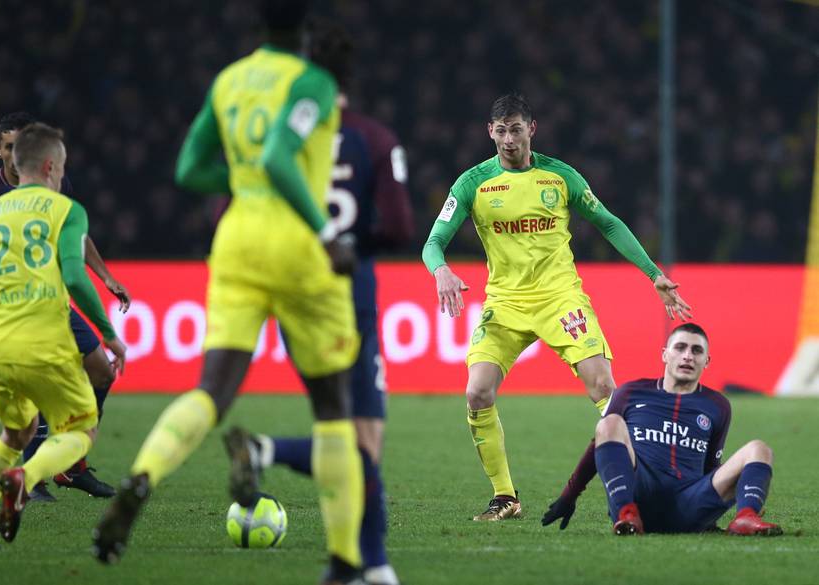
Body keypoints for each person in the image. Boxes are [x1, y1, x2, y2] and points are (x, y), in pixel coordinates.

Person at [92, 3, 366, 583]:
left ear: (259, 27)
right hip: (297, 245)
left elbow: (190, 170)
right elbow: (278, 157)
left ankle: (142, 476)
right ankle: (344, 561)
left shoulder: (229, 80)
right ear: (305, 30)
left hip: (236, 239)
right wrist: (326, 232)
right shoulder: (312, 80)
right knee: (333, 408)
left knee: (212, 389)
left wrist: (242, 183)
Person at [421, 93, 692, 521]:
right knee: (477, 391)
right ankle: (505, 496)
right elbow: (433, 242)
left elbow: (608, 222)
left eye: (516, 129)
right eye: (500, 131)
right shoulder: (472, 183)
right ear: (489, 132)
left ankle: (648, 483)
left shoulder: (560, 177)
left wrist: (652, 272)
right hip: (505, 303)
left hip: (559, 297)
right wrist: (440, 271)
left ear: (532, 128)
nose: (508, 139)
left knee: (604, 387)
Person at [243, 19, 412, 585]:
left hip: (292, 284)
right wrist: (353, 244)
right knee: (362, 437)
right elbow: (399, 226)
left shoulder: (283, 138)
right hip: (348, 290)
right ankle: (375, 563)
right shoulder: (375, 137)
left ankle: (353, 565)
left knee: (336, 424)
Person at [0, 122, 127, 550]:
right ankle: (27, 478)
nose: (62, 175)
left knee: (14, 434)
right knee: (81, 429)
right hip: (46, 340)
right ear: (48, 167)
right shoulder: (65, 209)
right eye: (61, 168)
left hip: (0, 345)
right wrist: (109, 333)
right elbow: (76, 278)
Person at [542, 323, 782, 536]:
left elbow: (711, 467)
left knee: (759, 449)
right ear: (665, 355)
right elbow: (600, 442)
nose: (688, 356)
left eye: (696, 351)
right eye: (680, 348)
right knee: (608, 423)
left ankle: (746, 517)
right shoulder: (630, 393)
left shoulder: (718, 405)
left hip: (690, 506)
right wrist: (569, 495)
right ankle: (625, 512)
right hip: (638, 499)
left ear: (706, 361)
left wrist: (709, 514)